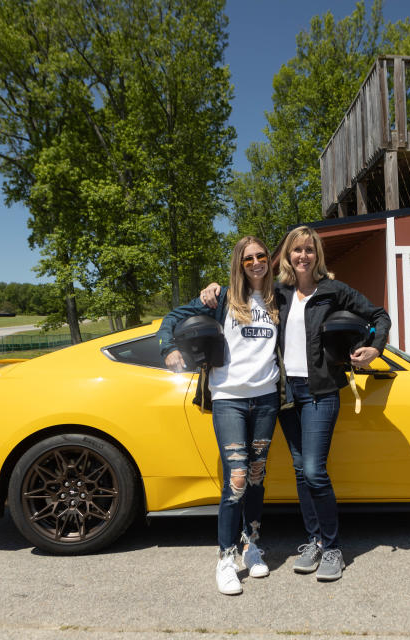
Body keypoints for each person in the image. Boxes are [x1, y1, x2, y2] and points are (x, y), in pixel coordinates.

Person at [201, 225, 390, 582]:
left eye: (309, 250)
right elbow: (241, 300)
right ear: (286, 256)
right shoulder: (279, 294)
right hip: (285, 395)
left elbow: (378, 315)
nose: (303, 256)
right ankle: (314, 541)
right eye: (296, 250)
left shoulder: (334, 291)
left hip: (320, 393)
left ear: (317, 255)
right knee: (302, 471)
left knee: (316, 471)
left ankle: (332, 547)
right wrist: (213, 289)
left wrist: (375, 347)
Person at [157, 236, 280, 596]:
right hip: (229, 399)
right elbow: (172, 319)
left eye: (261, 256)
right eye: (248, 259)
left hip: (267, 399)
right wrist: (168, 350)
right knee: (237, 478)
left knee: (256, 476)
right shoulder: (222, 298)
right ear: (239, 265)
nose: (256, 262)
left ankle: (250, 546)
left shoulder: (278, 299)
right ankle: (225, 558)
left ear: (269, 261)